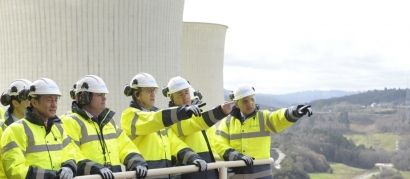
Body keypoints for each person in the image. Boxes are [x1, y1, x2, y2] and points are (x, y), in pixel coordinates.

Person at [214, 84, 313, 179]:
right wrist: (236, 156)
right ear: (236, 104)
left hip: (261, 175)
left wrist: (295, 111)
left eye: (252, 99)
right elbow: (219, 143)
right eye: (245, 101)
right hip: (236, 174)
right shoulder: (227, 122)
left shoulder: (263, 117)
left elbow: (278, 118)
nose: (250, 104)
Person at [121, 73, 208, 179]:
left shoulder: (156, 117)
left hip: (163, 173)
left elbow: (174, 143)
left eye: (154, 91)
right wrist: (182, 111)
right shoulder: (129, 115)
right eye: (149, 91)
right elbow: (151, 120)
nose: (153, 95)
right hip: (144, 174)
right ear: (136, 94)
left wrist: (193, 158)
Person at [60, 75, 148, 179]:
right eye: (99, 94)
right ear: (84, 97)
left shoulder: (108, 122)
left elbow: (125, 145)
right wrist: (95, 168)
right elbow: (72, 154)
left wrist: (137, 162)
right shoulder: (69, 121)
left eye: (104, 94)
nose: (104, 98)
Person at [0, 78, 77, 179]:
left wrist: (69, 167)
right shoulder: (14, 131)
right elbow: (15, 170)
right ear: (34, 102)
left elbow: (70, 153)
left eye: (56, 100)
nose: (54, 105)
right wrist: (51, 176)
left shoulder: (59, 128)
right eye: (49, 100)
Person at [163, 76, 233, 179]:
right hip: (188, 170)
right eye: (180, 94)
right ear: (171, 98)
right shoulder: (172, 117)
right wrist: (220, 111)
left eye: (186, 92)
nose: (185, 97)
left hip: (208, 168)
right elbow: (192, 124)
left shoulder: (194, 114)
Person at [0, 79, 32, 178]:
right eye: (28, 99)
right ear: (15, 103)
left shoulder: (37, 126)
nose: (32, 102)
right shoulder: (2, 129)